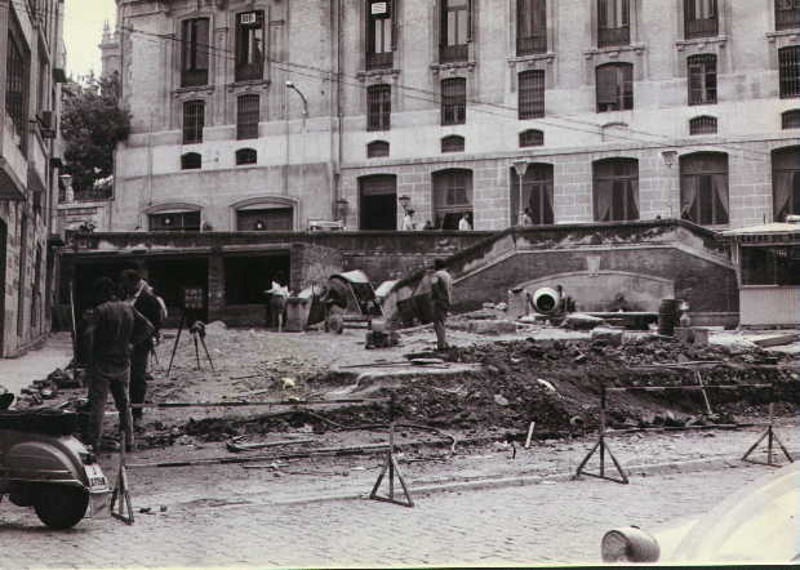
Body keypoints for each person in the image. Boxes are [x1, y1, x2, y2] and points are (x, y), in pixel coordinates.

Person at [82, 277, 153, 452]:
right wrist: (131, 343)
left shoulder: (100, 310)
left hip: (102, 363)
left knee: (98, 405)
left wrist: (88, 359)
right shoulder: (128, 308)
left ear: (101, 294)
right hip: (123, 363)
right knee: (124, 405)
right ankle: (129, 441)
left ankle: (94, 443)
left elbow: (88, 335)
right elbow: (148, 326)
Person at [121, 269, 163, 430]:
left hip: (140, 346)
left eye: (126, 283)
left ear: (135, 282)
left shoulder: (149, 300)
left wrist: (140, 339)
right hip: (122, 344)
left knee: (137, 378)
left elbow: (156, 324)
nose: (124, 287)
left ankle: (137, 414)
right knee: (123, 379)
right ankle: (125, 412)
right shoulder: (124, 297)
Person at [430, 259, 453, 351]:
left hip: (439, 301)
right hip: (447, 300)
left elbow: (434, 287)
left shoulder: (436, 275)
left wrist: (434, 299)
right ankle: (444, 342)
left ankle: (441, 345)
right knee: (442, 322)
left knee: (438, 323)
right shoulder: (447, 275)